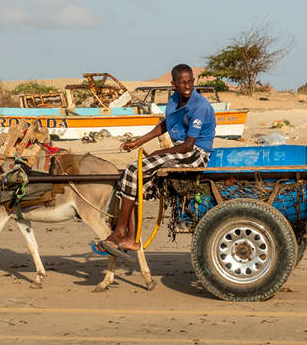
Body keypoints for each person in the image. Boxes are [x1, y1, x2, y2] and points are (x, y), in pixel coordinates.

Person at [92, 64, 216, 257]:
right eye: (182, 82)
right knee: (134, 177)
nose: (187, 85)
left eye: (190, 81)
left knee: (134, 170)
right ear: (173, 84)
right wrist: (137, 143)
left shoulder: (200, 106)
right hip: (180, 151)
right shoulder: (174, 100)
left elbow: (189, 146)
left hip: (195, 154)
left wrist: (159, 153)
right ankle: (131, 239)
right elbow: (166, 124)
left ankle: (119, 232)